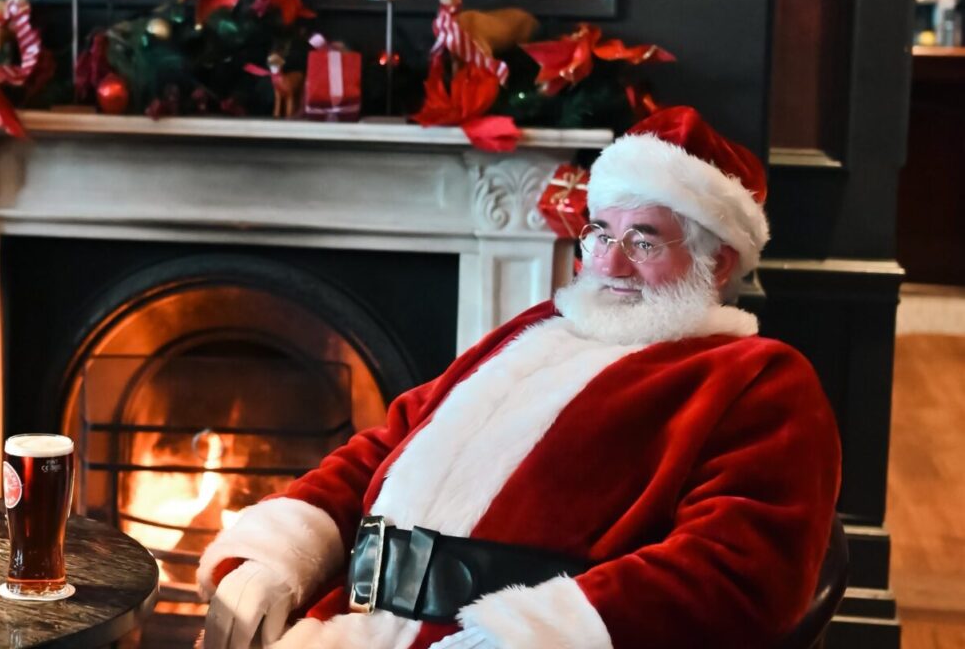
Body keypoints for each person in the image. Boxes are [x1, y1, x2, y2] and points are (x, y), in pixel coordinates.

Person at [196, 106, 841, 649]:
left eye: (645, 240)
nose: (610, 261)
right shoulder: (539, 329)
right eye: (599, 232)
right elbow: (385, 446)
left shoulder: (757, 378)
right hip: (349, 627)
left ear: (717, 262)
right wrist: (278, 553)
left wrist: (530, 636)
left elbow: (741, 574)